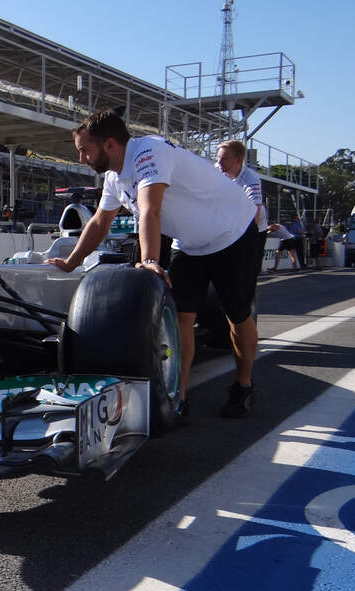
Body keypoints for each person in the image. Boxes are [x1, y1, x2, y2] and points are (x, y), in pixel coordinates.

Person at [47, 109, 259, 420]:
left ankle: (244, 384)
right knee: (181, 319)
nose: (82, 159)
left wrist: (149, 260)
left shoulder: (149, 152)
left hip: (233, 233)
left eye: (84, 150)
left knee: (237, 316)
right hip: (190, 244)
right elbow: (99, 223)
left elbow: (150, 210)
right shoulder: (114, 176)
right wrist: (70, 262)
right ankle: (180, 397)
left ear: (109, 145)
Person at [217, 140, 267, 276]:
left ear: (238, 159)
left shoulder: (251, 179)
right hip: (232, 218)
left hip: (255, 224)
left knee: (249, 267)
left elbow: (255, 211)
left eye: (224, 159)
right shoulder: (217, 169)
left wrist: (246, 240)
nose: (219, 162)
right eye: (218, 158)